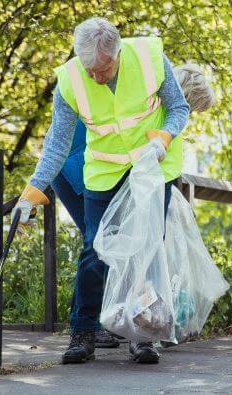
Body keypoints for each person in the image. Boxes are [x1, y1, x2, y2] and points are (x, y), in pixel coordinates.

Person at [12, 17, 190, 364]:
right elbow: (57, 143)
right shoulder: (70, 79)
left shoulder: (150, 57)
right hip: (104, 170)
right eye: (88, 68)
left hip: (153, 166)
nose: (95, 76)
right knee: (95, 247)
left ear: (117, 53)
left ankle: (142, 336)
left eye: (102, 69)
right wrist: (32, 190)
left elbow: (179, 108)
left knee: (147, 249)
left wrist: (164, 138)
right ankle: (83, 331)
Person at [49, 63, 216, 350]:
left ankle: (118, 321)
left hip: (89, 170)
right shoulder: (146, 104)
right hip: (78, 171)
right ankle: (100, 324)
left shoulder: (151, 100)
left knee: (109, 245)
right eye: (192, 107)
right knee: (102, 243)